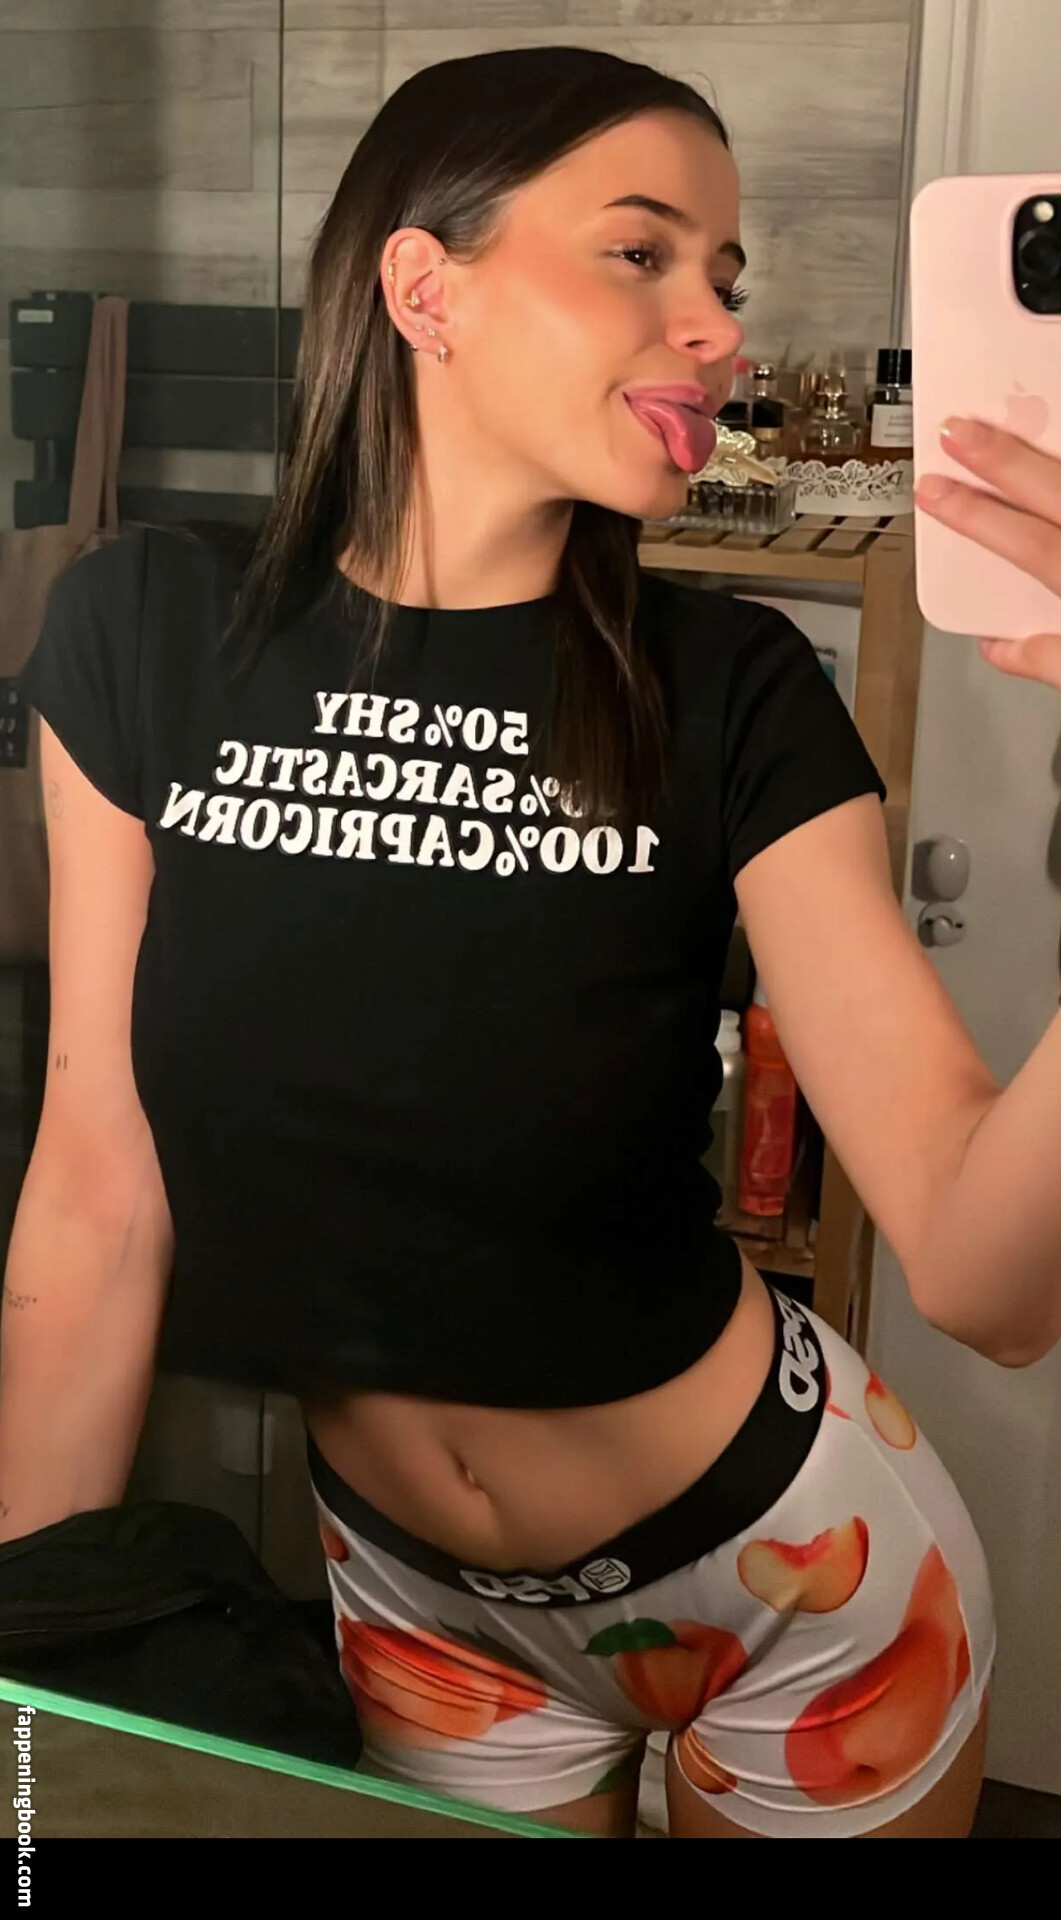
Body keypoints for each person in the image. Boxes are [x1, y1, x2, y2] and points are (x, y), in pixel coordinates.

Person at [2, 45, 1058, 1840]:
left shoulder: (730, 694)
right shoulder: (145, 636)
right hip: (420, 1614)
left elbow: (984, 1273)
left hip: (791, 1587)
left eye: (724, 276)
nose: (717, 327)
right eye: (641, 253)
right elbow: (100, 1188)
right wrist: (35, 1667)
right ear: (424, 289)